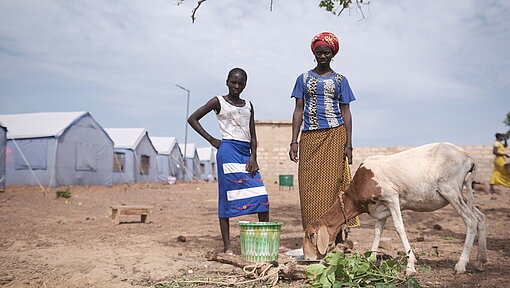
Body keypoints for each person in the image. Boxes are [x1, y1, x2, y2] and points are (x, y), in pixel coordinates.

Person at [187, 68, 270, 255]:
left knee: (261, 196)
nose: (237, 86)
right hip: (227, 152)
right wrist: (212, 140)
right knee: (227, 197)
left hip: (246, 153)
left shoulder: (248, 105)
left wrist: (253, 156)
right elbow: (192, 119)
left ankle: (265, 240)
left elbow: (253, 135)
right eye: (234, 82)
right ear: (227, 82)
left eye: (241, 83)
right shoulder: (218, 101)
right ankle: (227, 247)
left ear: (245, 85)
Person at [289, 32, 356, 235]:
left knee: (334, 187)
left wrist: (349, 145)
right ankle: (312, 233)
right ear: (314, 53)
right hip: (309, 137)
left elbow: (346, 112)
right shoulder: (303, 79)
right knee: (308, 189)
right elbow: (298, 110)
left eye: (327, 52)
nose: (323, 56)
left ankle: (335, 235)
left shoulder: (341, 80)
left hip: (335, 137)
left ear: (332, 54)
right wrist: (294, 141)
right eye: (319, 52)